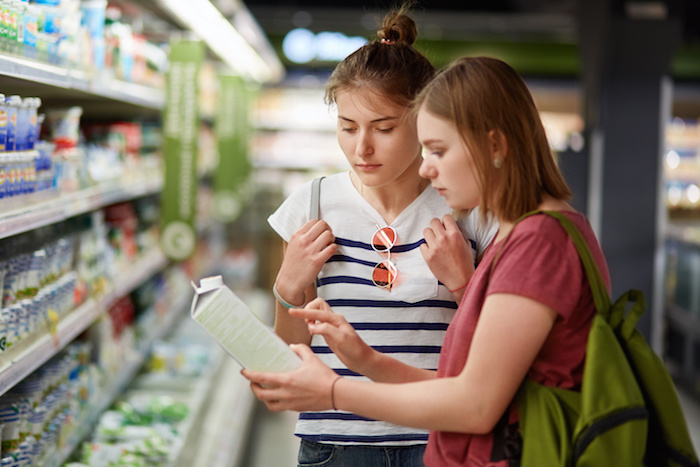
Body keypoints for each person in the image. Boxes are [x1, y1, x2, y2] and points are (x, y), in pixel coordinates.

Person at [244, 55, 611, 467]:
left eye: (436, 148)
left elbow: (475, 402)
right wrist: (362, 358)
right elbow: (458, 383)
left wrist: (333, 391)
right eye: (347, 127)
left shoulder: (536, 241)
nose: (427, 167)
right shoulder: (529, 234)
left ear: (494, 145)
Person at [266, 7, 498, 467]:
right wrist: (288, 288)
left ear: (425, 120)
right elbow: (289, 360)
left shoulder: (465, 206)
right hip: (334, 441)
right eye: (347, 127)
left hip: (437, 435)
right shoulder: (310, 205)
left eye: (384, 128)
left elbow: (496, 350)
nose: (361, 148)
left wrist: (464, 284)